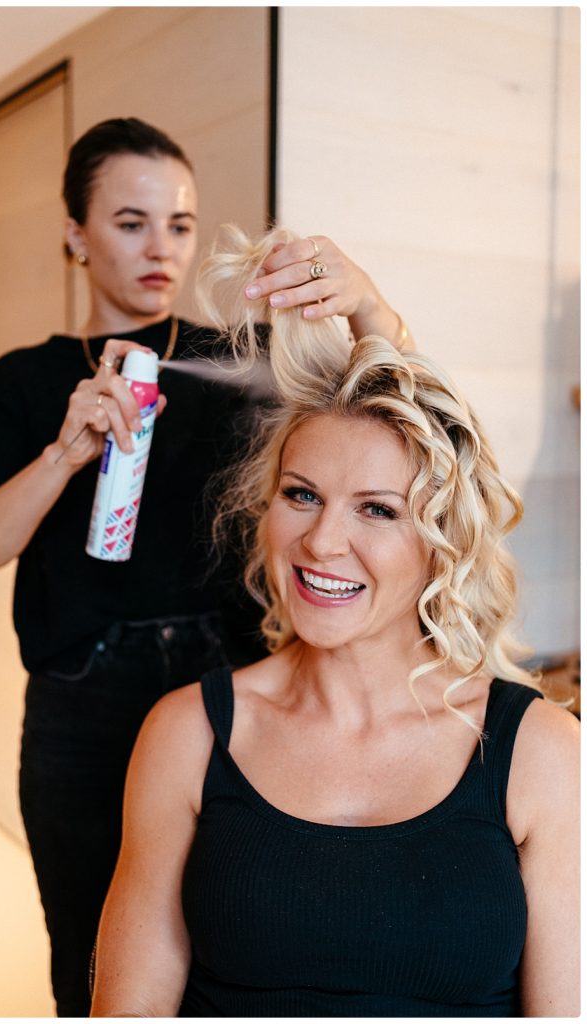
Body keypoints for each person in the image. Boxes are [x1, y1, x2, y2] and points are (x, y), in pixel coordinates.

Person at [0, 119, 413, 1017]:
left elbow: (401, 408)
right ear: (75, 234)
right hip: (82, 702)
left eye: (180, 224)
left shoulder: (235, 361)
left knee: (221, 944)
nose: (161, 247)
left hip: (223, 688)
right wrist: (63, 453)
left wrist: (368, 305)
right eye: (129, 221)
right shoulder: (25, 381)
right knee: (90, 957)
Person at [89, 225, 579, 1018]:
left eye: (377, 510)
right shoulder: (186, 734)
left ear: (439, 543)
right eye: (301, 494)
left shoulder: (540, 755)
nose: (321, 541)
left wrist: (373, 313)